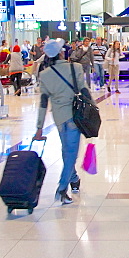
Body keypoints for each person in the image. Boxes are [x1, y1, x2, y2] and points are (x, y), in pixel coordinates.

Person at [33, 39, 85, 203]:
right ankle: (62, 189)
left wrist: (39, 127)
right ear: (61, 53)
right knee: (71, 154)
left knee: (66, 151)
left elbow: (43, 102)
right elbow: (84, 91)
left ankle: (74, 178)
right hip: (74, 115)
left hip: (59, 118)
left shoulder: (45, 74)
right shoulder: (75, 67)